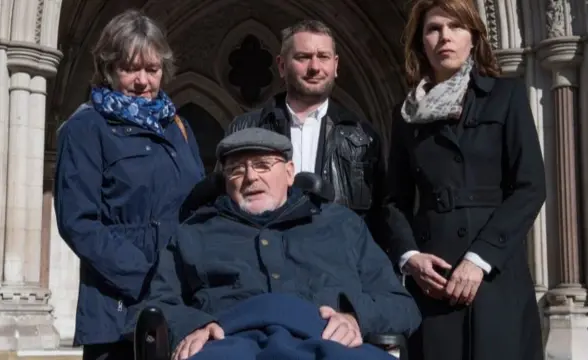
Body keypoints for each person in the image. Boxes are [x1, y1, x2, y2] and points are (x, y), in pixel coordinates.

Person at [143, 127, 421, 360]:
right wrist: (195, 326)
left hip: (328, 341)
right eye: (237, 170)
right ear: (225, 181)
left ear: (290, 173)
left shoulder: (341, 225)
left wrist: (356, 318)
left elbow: (400, 305)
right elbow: (156, 305)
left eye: (263, 166)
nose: (251, 177)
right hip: (229, 343)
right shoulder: (194, 232)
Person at [383, 0, 546, 359]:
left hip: (494, 274)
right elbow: (394, 200)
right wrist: (410, 257)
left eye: (455, 27)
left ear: (473, 37)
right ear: (420, 43)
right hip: (433, 281)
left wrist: (480, 259)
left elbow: (530, 187)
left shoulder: (506, 97)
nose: (445, 37)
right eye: (433, 29)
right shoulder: (405, 114)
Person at [54, 9, 205, 360]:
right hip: (118, 305)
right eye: (129, 69)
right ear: (108, 69)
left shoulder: (178, 127)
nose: (142, 81)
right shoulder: (86, 128)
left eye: (151, 70)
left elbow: (197, 204)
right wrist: (147, 274)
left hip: (180, 301)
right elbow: (78, 222)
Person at [224, 20, 387, 248]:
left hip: (338, 265)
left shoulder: (363, 137)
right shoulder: (244, 130)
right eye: (303, 57)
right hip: (265, 264)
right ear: (281, 66)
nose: (314, 67)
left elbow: (381, 217)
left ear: (336, 65)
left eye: (323, 57)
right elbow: (223, 207)